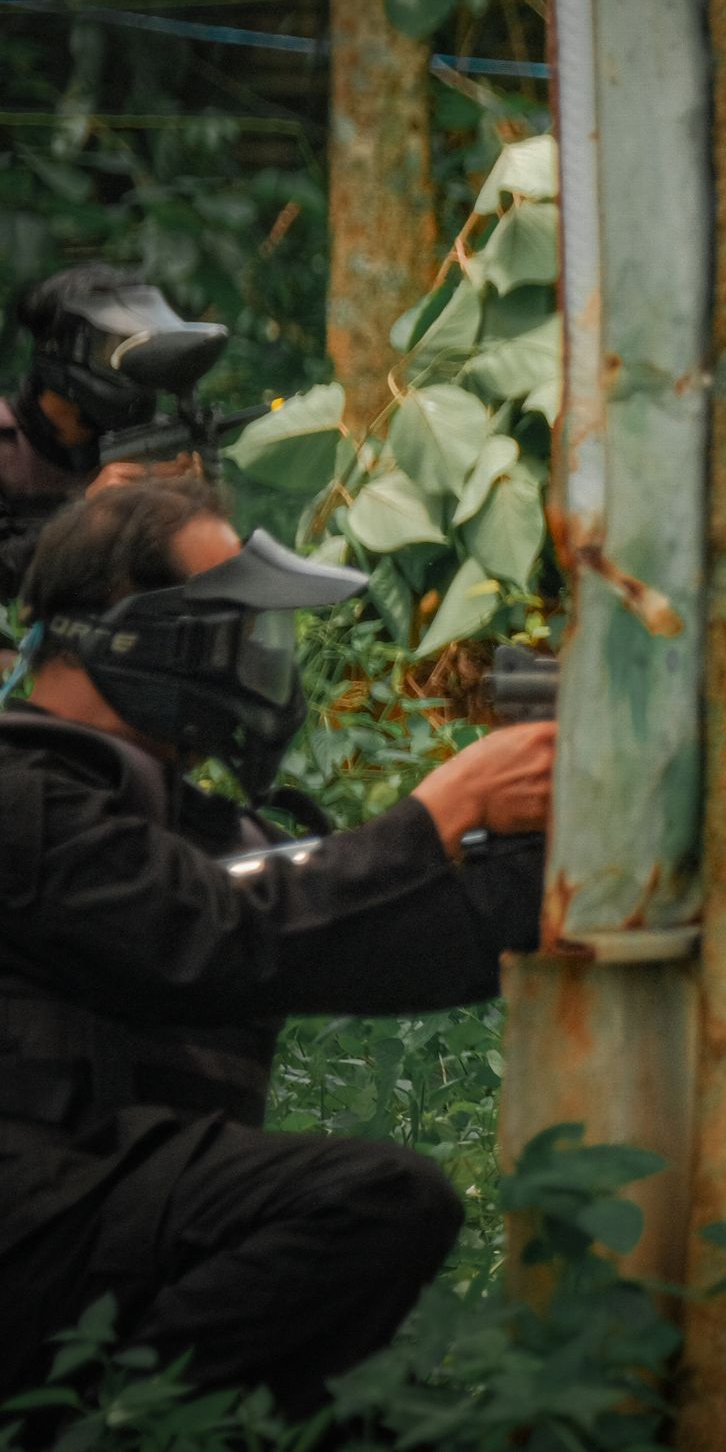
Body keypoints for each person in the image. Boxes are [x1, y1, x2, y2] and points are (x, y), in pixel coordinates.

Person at [0, 479, 556, 1415]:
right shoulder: (23, 797)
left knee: (404, 1419)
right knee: (375, 1200)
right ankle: (116, 1434)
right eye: (228, 629)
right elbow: (216, 936)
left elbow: (351, 930)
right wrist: (440, 811)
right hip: (32, 1218)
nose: (251, 662)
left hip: (111, 1219)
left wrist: (570, 849)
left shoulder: (181, 823)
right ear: (139, 632)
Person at [0, 265, 225, 598]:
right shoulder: (6, 443)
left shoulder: (149, 441)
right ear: (58, 352)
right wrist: (88, 518)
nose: (133, 365)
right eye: (114, 350)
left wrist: (191, 507)